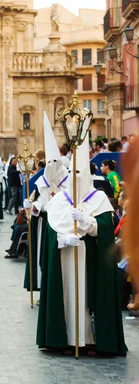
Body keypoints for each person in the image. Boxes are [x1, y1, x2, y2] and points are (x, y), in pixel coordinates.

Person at [37, 138, 127, 356]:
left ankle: (90, 339)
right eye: (72, 174)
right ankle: (65, 339)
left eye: (79, 174)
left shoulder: (98, 199)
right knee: (66, 297)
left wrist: (88, 222)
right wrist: (62, 239)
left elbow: (106, 228)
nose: (75, 179)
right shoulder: (59, 200)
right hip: (65, 258)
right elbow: (50, 232)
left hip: (90, 261)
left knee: (87, 300)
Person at [22, 115, 68, 292]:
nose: (52, 166)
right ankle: (42, 287)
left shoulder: (66, 179)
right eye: (50, 162)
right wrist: (32, 206)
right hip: (44, 224)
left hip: (61, 225)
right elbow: (40, 201)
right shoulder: (43, 180)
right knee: (42, 256)